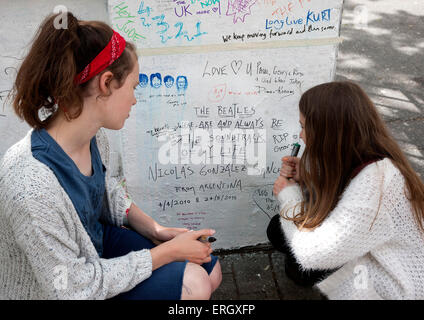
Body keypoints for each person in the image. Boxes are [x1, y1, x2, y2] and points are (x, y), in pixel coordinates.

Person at [0, 12, 221, 300]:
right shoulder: (31, 188)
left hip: (96, 248)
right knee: (194, 284)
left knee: (209, 268)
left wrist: (156, 230)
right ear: (105, 83)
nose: (134, 98)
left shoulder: (94, 137)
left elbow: (106, 190)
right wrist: (164, 254)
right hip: (67, 288)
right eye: (133, 86)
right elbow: (72, 289)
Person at [268, 81, 424, 299]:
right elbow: (347, 196)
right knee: (277, 229)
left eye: (304, 126)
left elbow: (310, 254)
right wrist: (308, 178)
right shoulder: (369, 155)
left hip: (397, 286)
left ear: (327, 132)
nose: (301, 135)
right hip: (378, 253)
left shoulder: (376, 185)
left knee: (300, 265)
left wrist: (288, 194)